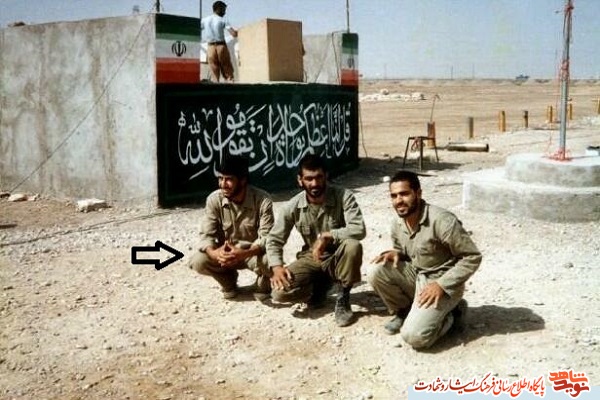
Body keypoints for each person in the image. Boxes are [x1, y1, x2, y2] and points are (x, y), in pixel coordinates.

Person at [368, 170, 482, 349]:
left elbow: (472, 256)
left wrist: (442, 285)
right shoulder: (398, 222)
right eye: (394, 196)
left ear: (418, 193)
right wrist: (397, 254)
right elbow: (406, 251)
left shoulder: (442, 221)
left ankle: (452, 314)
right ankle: (405, 311)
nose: (399, 200)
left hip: (442, 284)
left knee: (414, 337)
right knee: (376, 271)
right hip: (417, 276)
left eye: (404, 194)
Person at [266, 154, 366, 327]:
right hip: (313, 257)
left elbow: (359, 229)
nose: (314, 183)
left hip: (339, 255)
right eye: (309, 178)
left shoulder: (344, 196)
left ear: (326, 176)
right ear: (300, 180)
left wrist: (327, 236)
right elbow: (274, 239)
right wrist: (276, 267)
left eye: (319, 177)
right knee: (279, 294)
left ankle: (343, 298)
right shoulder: (292, 206)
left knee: (353, 245)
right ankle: (318, 287)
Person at [188, 155, 274, 300]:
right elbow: (207, 235)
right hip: (226, 255)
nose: (223, 184)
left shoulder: (262, 200)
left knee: (271, 259)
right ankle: (228, 282)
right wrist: (214, 253)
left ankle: (263, 284)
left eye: (228, 179)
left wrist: (243, 253)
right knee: (198, 261)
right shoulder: (214, 199)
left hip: (252, 254)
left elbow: (267, 238)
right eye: (220, 178)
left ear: (243, 180)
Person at [200, 1, 238, 82]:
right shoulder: (223, 20)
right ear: (218, 9)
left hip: (210, 47)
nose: (225, 12)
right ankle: (230, 84)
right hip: (221, 46)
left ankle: (216, 84)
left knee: (214, 70)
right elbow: (233, 34)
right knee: (227, 68)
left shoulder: (205, 20)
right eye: (224, 10)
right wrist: (238, 32)